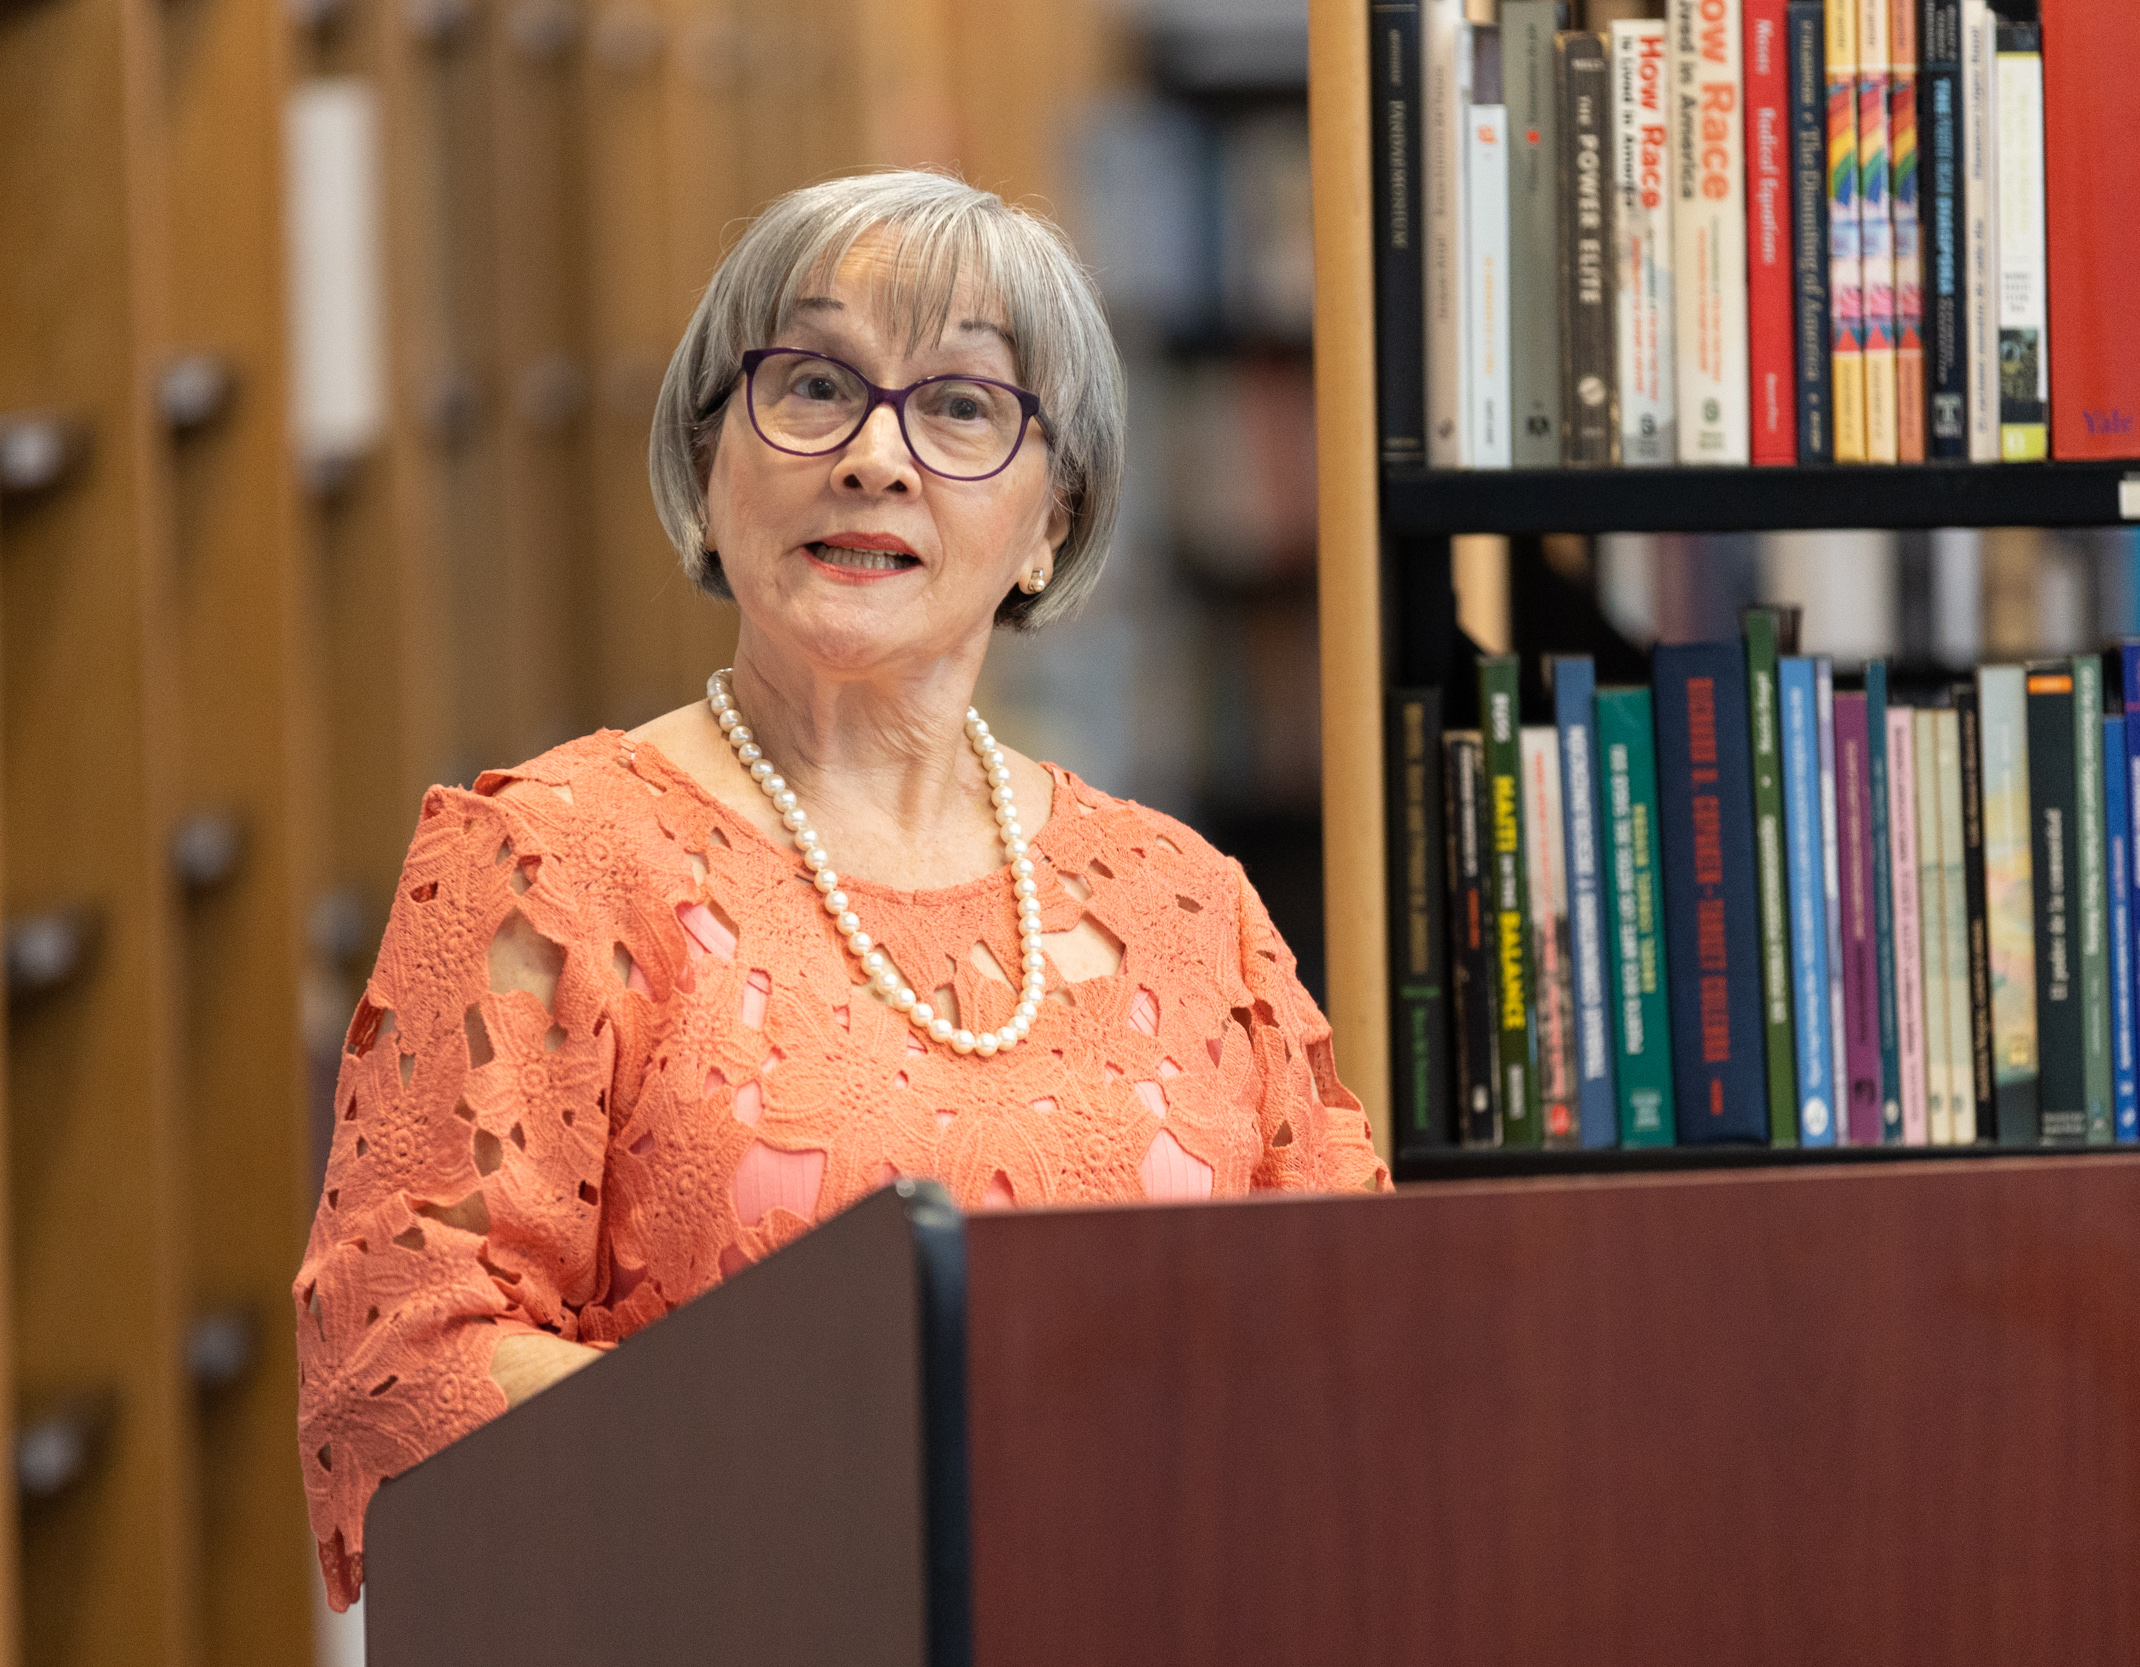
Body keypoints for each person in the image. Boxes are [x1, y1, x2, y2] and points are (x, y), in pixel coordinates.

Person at [295, 169, 1388, 1609]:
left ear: (1052, 522)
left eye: (961, 406)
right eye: (812, 385)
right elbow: (403, 1363)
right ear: (709, 464)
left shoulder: (1186, 903)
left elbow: (1363, 1353)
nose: (876, 457)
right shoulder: (549, 864)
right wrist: (902, 1476)